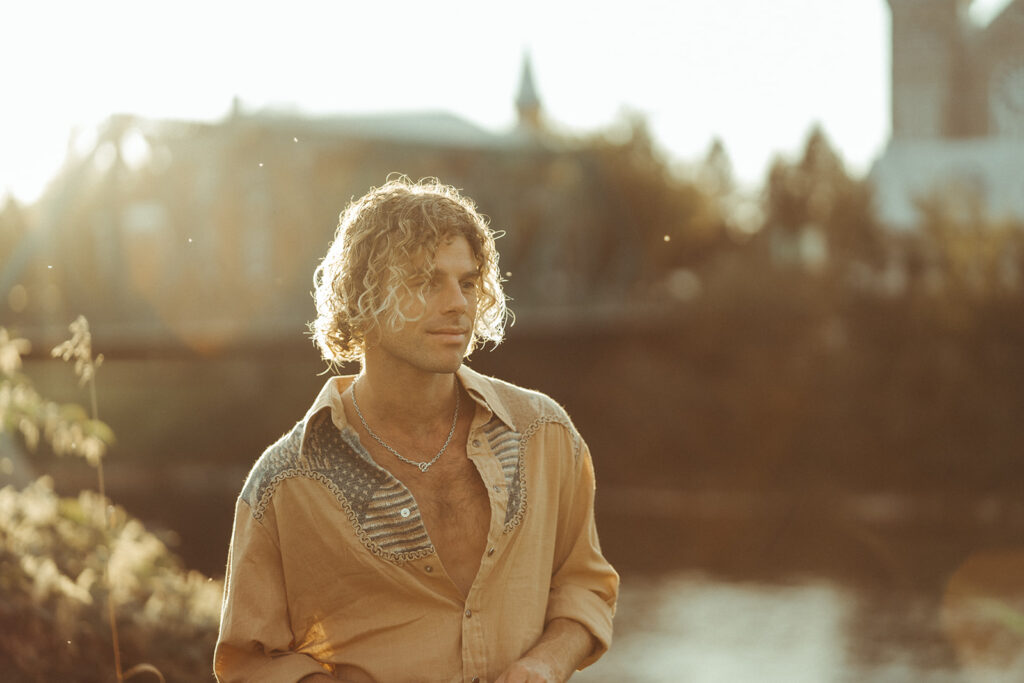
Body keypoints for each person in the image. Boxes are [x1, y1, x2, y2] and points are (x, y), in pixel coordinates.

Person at [214, 176, 618, 683]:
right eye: (426, 282)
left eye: (467, 283)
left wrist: (544, 665)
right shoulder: (285, 484)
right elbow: (250, 661)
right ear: (362, 296)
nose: (458, 304)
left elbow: (584, 585)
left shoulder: (545, 435)